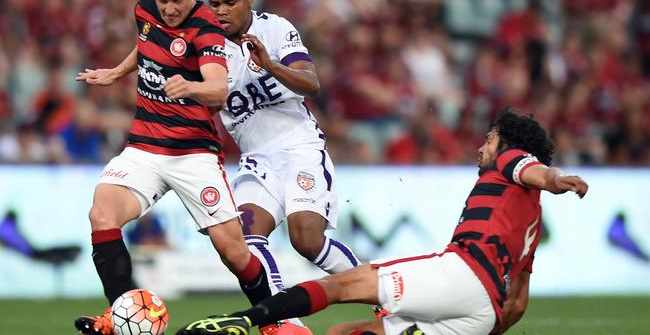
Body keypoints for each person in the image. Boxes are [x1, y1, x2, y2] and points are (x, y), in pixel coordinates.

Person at [176, 109, 589, 335]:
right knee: (348, 334)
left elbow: (532, 169)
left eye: (491, 138)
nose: (483, 145)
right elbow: (516, 303)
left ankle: (244, 321)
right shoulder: (530, 220)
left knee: (342, 286)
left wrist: (555, 181)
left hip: (462, 274)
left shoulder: (509, 164)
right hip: (485, 316)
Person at [73, 0, 272, 334]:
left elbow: (217, 89)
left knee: (233, 251)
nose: (168, 9)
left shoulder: (206, 27)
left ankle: (275, 321)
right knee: (102, 214)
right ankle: (118, 317)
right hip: (143, 148)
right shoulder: (144, 11)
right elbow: (148, 43)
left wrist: (191, 86)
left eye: (178, 0)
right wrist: (117, 72)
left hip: (193, 153)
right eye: (162, 0)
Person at [205, 0, 360, 323]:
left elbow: (311, 83)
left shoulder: (275, 29)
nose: (221, 11)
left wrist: (270, 65)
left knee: (306, 240)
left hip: (298, 148)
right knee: (246, 237)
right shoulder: (207, 48)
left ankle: (380, 295)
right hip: (256, 160)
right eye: (214, 4)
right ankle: (282, 322)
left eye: (230, 2)